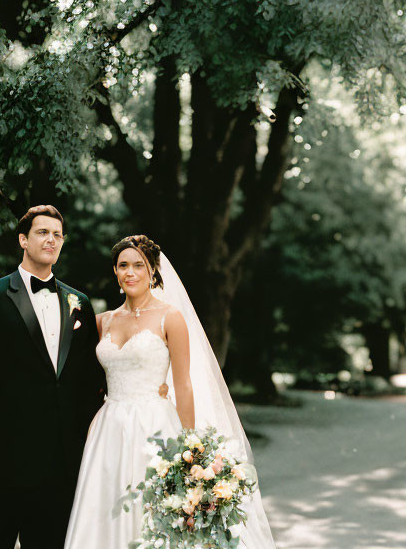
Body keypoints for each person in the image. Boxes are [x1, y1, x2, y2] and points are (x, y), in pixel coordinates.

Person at [64, 235, 276, 549]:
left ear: (153, 272)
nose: (131, 272)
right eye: (123, 265)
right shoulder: (102, 322)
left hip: (155, 426)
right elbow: (82, 377)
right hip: (108, 428)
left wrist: (191, 450)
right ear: (115, 271)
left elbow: (184, 384)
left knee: (154, 513)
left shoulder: (170, 317)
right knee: (104, 511)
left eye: (139, 265)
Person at [0, 205, 106, 549]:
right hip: (1, 464)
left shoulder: (78, 302)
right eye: (42, 232)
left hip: (62, 468)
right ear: (23, 239)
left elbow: (86, 383)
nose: (51, 240)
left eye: (57, 234)